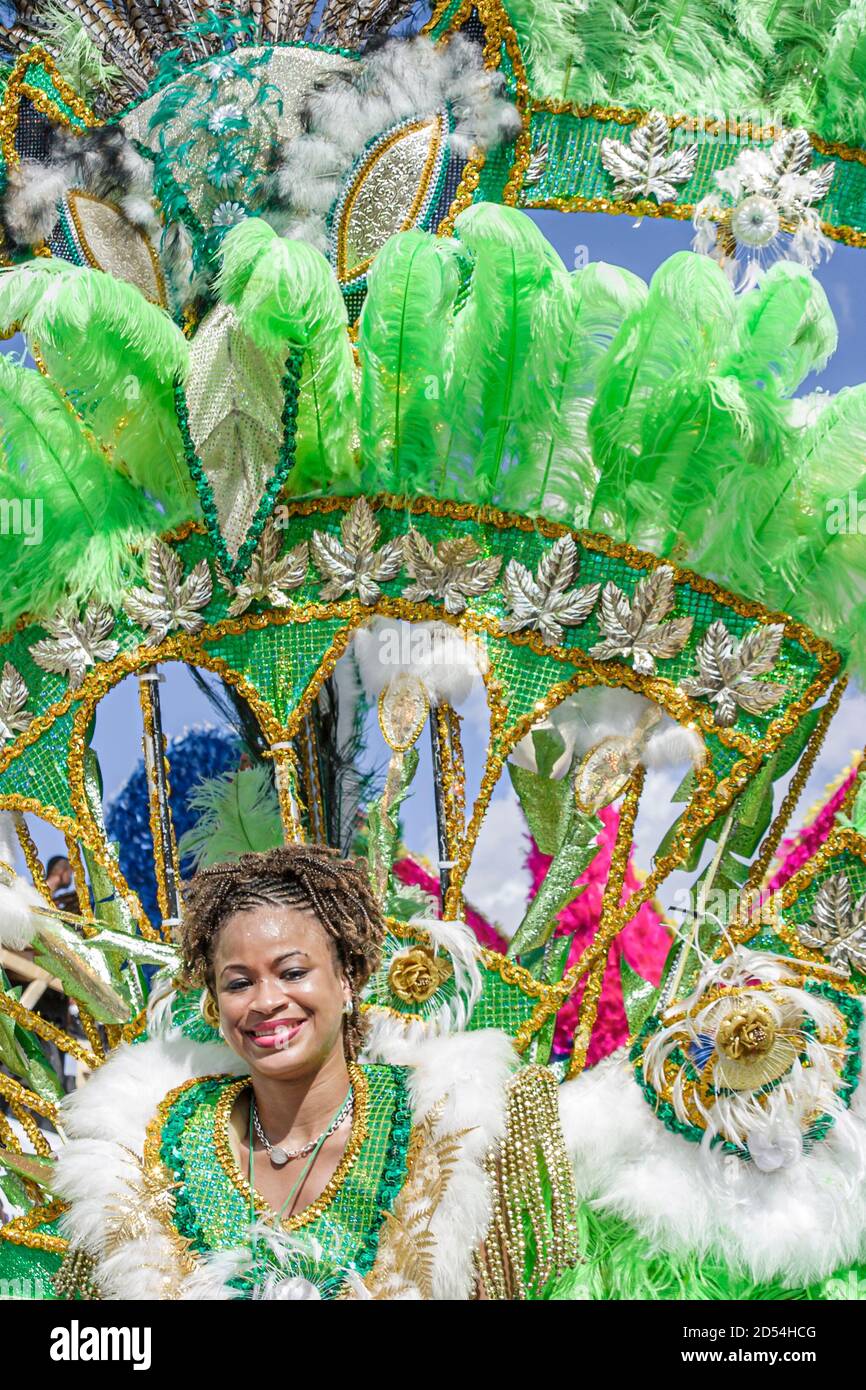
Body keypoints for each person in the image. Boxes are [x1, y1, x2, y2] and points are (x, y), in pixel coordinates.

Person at [51, 845, 581, 1300]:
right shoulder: (146, 1147)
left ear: (348, 979)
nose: (265, 1001)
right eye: (238, 983)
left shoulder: (452, 1131)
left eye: (293, 972)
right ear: (215, 1003)